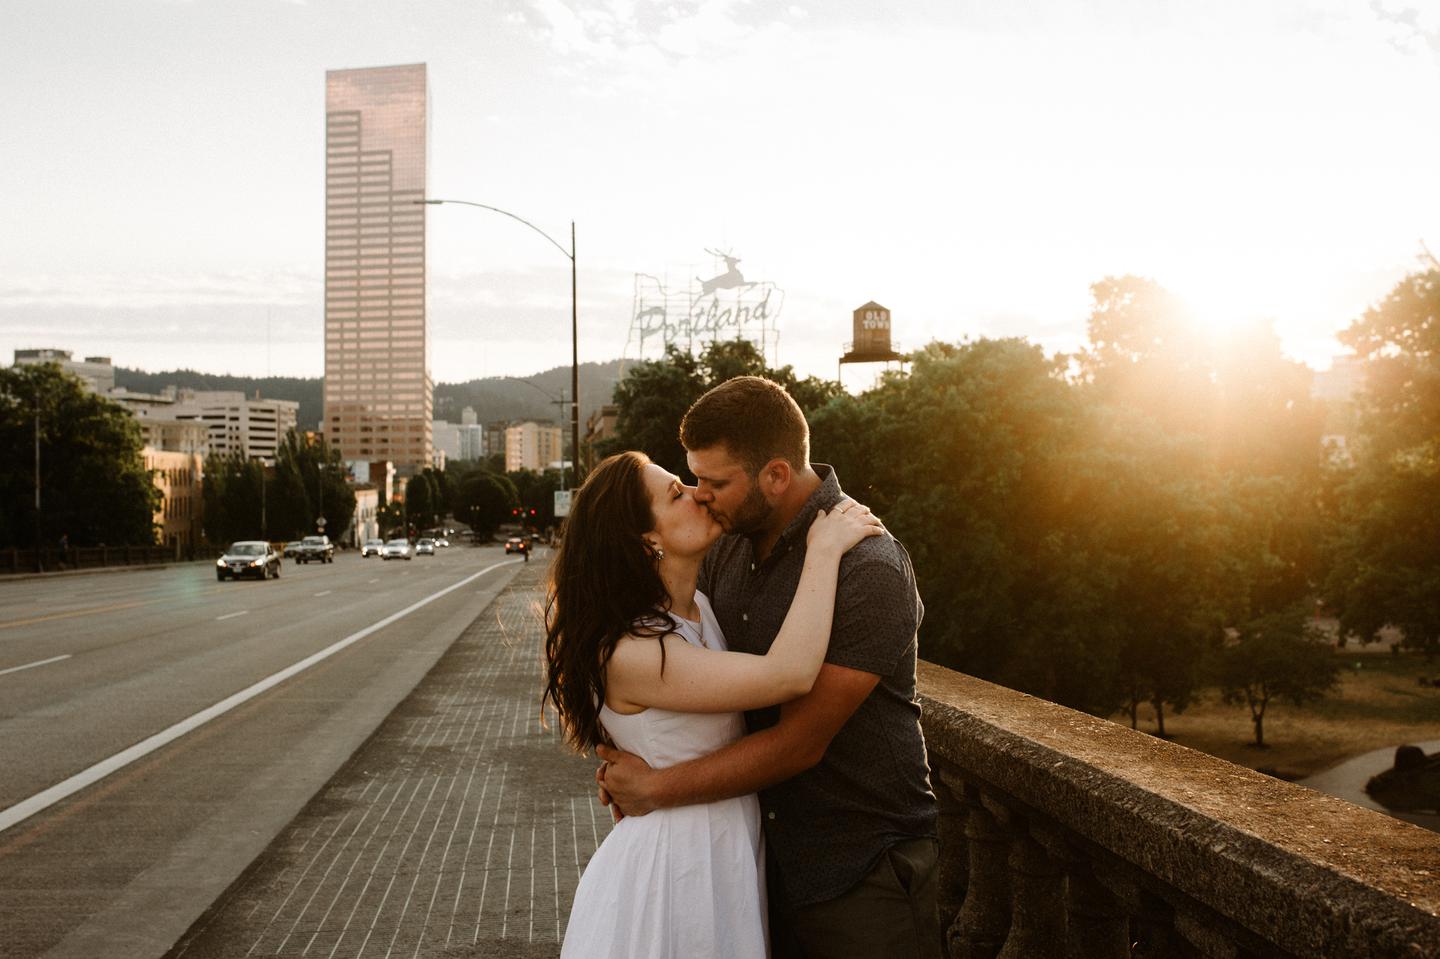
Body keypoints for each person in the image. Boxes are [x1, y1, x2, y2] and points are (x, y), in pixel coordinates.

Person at [598, 376, 940, 958]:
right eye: (693, 481)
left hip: (858, 869)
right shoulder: (724, 548)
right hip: (754, 865)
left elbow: (799, 743)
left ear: (776, 475)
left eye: (715, 482)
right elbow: (680, 661)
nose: (702, 495)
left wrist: (656, 786)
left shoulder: (868, 566)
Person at [543, 450, 883, 959]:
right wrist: (825, 551)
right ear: (648, 540)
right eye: (676, 494)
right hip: (676, 865)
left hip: (722, 848)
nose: (698, 493)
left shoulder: (698, 607)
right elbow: (788, 675)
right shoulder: (634, 651)